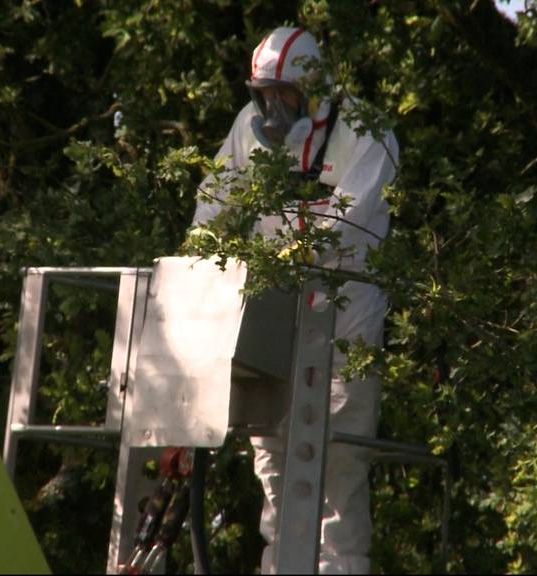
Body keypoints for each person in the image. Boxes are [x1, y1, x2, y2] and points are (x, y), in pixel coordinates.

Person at [191, 26, 398, 574]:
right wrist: (201, 266)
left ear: (313, 91)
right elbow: (213, 207)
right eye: (264, 95)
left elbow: (347, 230)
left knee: (339, 461)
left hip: (346, 315)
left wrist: (277, 242)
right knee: (272, 455)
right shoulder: (247, 130)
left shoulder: (366, 133)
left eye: (284, 95)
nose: (273, 109)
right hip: (271, 312)